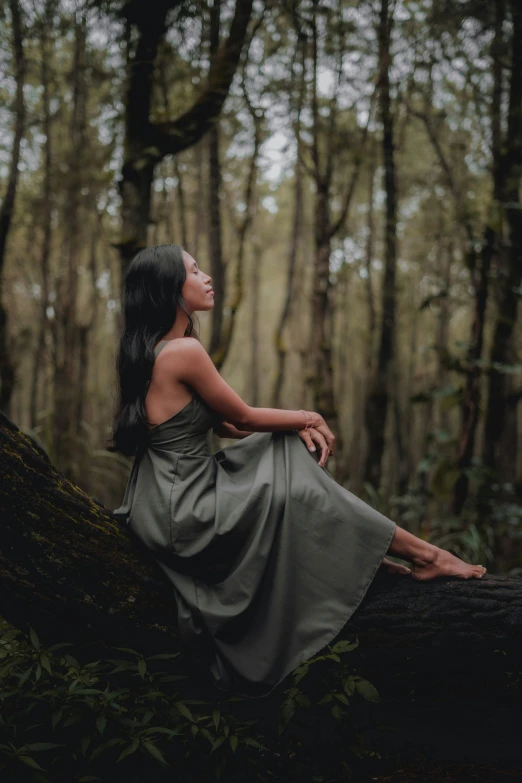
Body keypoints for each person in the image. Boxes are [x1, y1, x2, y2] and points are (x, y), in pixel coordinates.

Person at [111, 244, 486, 699]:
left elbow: (225, 425)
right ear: (171, 289)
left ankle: (382, 554)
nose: (207, 276)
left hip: (164, 500)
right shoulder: (182, 351)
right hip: (186, 506)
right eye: (194, 270)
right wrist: (307, 417)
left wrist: (294, 425)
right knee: (287, 450)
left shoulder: (155, 351)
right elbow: (245, 418)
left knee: (284, 451)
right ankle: (426, 556)